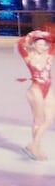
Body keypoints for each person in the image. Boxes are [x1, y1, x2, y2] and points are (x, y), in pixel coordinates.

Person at [16, 29, 55, 161]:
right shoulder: (29, 57)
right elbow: (20, 43)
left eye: (45, 45)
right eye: (40, 44)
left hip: (48, 88)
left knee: (49, 118)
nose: (43, 47)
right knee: (38, 120)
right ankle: (36, 147)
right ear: (34, 45)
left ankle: (33, 145)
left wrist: (45, 34)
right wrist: (32, 35)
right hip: (36, 89)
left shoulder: (49, 55)